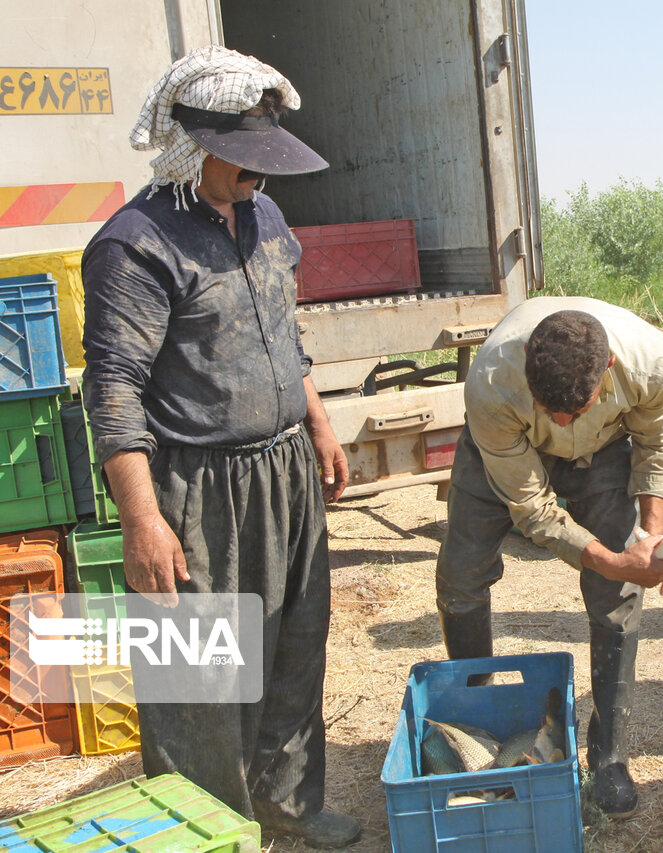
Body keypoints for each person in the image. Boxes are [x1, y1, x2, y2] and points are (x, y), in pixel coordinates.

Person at [81, 46, 359, 848]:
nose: (259, 177)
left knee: (294, 651)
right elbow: (115, 393)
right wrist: (142, 520)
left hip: (284, 471)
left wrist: (318, 421)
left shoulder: (265, 218)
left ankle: (289, 805)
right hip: (195, 488)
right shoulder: (133, 247)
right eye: (244, 161)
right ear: (191, 148)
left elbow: (283, 335)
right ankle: (210, 829)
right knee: (202, 678)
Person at [435, 296, 663, 818]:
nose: (560, 419)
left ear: (610, 370)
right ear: (528, 357)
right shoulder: (492, 382)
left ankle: (609, 756)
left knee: (616, 596)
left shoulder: (652, 363)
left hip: (606, 449)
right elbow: (533, 511)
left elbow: (654, 447)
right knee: (460, 575)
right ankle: (477, 728)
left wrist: (650, 539)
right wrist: (614, 560)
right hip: (505, 448)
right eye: (549, 405)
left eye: (574, 408)